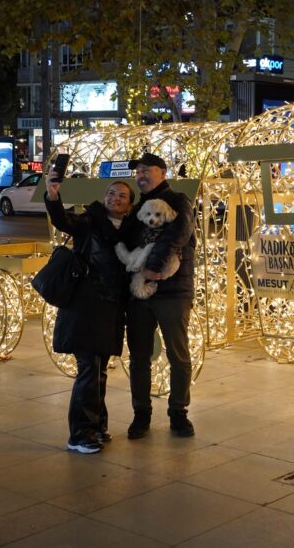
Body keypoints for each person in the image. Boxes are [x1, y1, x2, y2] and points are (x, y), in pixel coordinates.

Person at [44, 172, 134, 454]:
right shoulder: (91, 221)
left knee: (99, 370)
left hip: (110, 307)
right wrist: (53, 196)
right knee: (88, 368)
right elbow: (63, 221)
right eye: (111, 193)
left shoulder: (129, 230)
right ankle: (79, 434)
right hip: (85, 305)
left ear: (129, 205)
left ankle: (97, 425)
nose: (115, 198)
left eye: (122, 196)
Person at [121, 152, 197, 439]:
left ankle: (178, 413)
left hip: (173, 291)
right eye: (137, 171)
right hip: (140, 294)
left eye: (146, 170)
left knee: (178, 354)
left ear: (163, 173)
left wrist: (152, 267)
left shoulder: (178, 201)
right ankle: (141, 414)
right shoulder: (136, 208)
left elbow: (179, 231)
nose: (140, 175)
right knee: (139, 356)